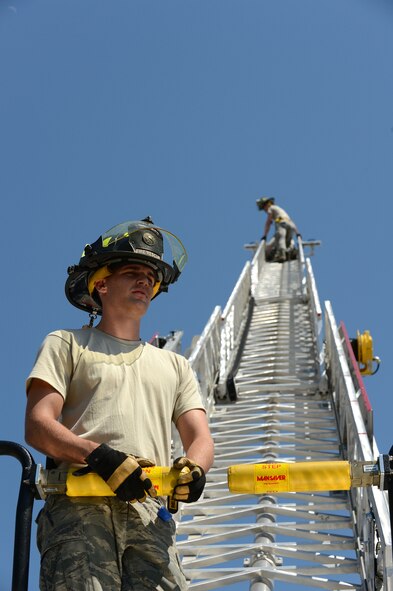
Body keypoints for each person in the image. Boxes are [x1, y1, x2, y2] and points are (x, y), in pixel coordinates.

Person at [25, 217, 214, 591]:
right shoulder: (66, 343)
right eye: (132, 272)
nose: (145, 280)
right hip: (81, 504)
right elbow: (38, 424)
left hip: (149, 515)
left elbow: (201, 437)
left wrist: (195, 468)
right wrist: (98, 456)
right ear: (102, 284)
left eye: (151, 275)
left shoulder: (175, 365)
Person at [256, 196, 300, 262]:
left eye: (263, 208)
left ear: (266, 205)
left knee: (280, 238)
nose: (264, 210)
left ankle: (282, 255)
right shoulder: (280, 209)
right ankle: (290, 252)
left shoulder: (270, 208)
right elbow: (292, 223)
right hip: (290, 224)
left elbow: (268, 223)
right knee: (286, 240)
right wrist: (297, 233)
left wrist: (264, 236)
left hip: (280, 222)